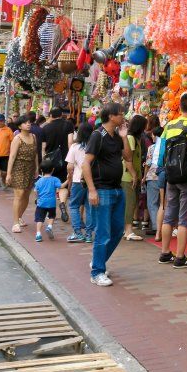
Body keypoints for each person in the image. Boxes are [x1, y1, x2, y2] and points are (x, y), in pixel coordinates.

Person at [83, 102, 133, 286]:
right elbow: (85, 163)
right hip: (102, 189)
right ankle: (97, 272)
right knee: (103, 233)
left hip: (117, 189)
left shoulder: (117, 136)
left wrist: (124, 137)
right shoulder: (98, 136)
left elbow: (128, 157)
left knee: (117, 230)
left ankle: (99, 261)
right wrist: (92, 189)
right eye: (121, 114)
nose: (123, 117)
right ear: (111, 116)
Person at [158, 93, 187, 268]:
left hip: (171, 177)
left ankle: (164, 253)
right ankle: (179, 257)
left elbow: (161, 154)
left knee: (169, 215)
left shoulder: (169, 126)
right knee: (185, 217)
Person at [6, 116, 38, 233]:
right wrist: (9, 173)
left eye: (29, 122)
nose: (28, 124)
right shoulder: (17, 139)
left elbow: (35, 154)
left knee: (26, 195)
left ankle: (19, 217)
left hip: (30, 168)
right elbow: (12, 156)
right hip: (19, 168)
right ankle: (15, 223)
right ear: (20, 126)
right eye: (25, 123)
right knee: (19, 194)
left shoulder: (34, 137)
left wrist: (37, 168)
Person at [41, 107, 74, 218]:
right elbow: (70, 142)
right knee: (62, 185)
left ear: (50, 115)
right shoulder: (68, 125)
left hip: (49, 161)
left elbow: (43, 147)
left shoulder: (45, 128)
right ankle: (63, 203)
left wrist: (43, 162)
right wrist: (71, 159)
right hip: (64, 160)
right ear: (61, 115)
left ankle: (49, 212)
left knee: (49, 186)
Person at [65, 123, 94, 243]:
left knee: (74, 206)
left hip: (78, 180)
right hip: (92, 181)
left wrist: (69, 177)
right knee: (89, 207)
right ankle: (88, 234)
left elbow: (70, 166)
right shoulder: (94, 146)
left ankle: (77, 233)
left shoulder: (75, 146)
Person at [122, 114, 146, 241]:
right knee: (130, 203)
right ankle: (128, 230)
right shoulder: (130, 138)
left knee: (132, 202)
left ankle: (126, 229)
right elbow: (128, 159)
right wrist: (134, 175)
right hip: (128, 177)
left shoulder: (136, 139)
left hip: (132, 176)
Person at [144, 125, 166, 239]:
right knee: (163, 203)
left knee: (152, 203)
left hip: (152, 176)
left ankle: (156, 228)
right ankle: (165, 227)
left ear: (155, 135)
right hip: (164, 177)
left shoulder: (152, 147)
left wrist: (143, 177)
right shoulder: (166, 145)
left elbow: (148, 164)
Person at [33, 159, 62, 242]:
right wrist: (68, 180)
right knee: (52, 216)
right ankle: (49, 226)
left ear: (41, 170)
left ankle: (38, 234)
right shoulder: (55, 179)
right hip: (51, 203)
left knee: (39, 219)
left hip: (41, 203)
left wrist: (37, 198)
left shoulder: (39, 181)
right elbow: (60, 186)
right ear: (53, 169)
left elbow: (35, 191)